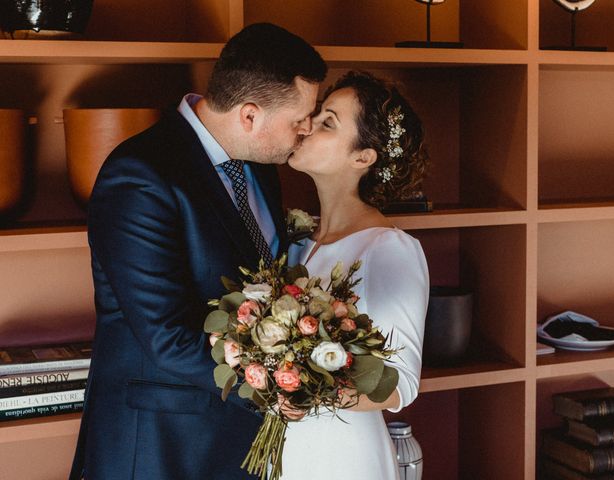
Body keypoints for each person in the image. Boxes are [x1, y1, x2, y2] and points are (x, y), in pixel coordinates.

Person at [69, 23, 327, 480]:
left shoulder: (260, 167)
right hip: (161, 444)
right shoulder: (141, 176)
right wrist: (274, 377)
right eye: (300, 119)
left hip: (234, 437)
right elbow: (165, 335)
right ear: (250, 115)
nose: (306, 130)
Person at [285, 71, 429, 479]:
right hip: (285, 448)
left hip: (341, 456)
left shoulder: (388, 249)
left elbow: (402, 384)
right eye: (316, 115)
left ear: (363, 158)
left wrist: (302, 390)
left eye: (328, 122)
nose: (306, 125)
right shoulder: (297, 240)